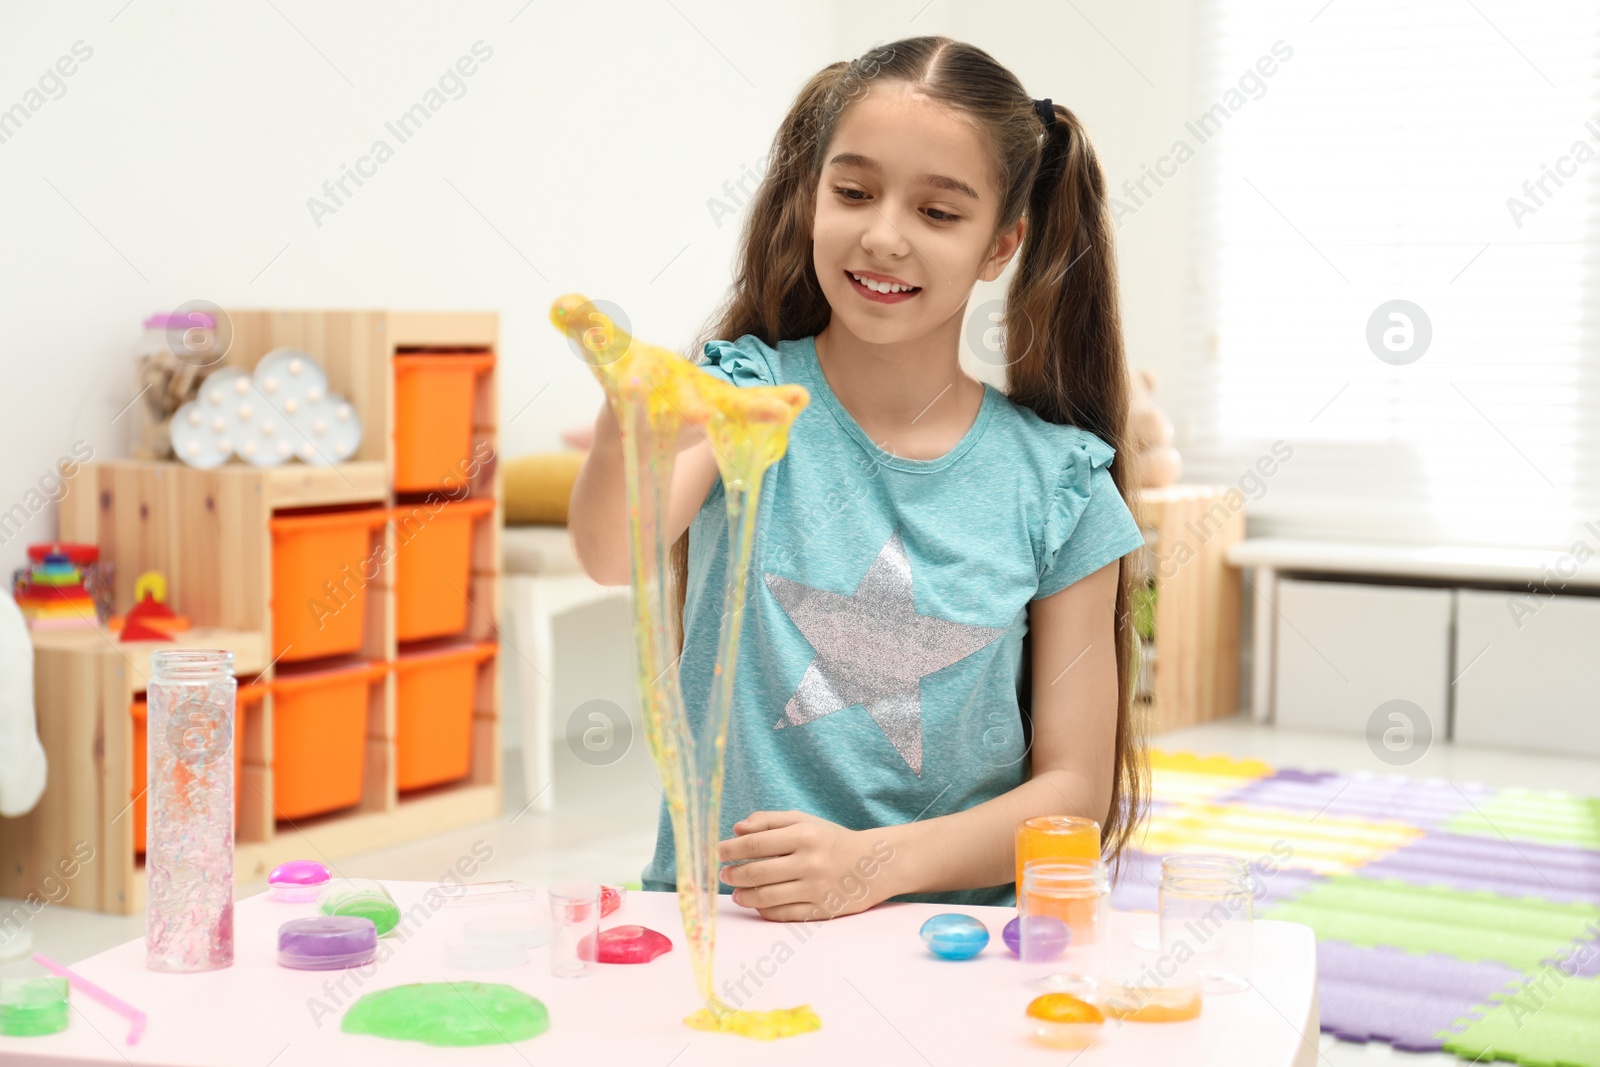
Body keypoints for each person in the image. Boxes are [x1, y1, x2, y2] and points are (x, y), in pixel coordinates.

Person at [568, 35, 1149, 917]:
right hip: (727, 933)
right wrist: (626, 429)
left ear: (1002, 245)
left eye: (939, 213)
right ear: (812, 199)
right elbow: (616, 553)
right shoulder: (741, 399)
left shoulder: (1060, 486)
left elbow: (1074, 790)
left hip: (954, 943)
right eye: (854, 192)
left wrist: (869, 866)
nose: (884, 237)